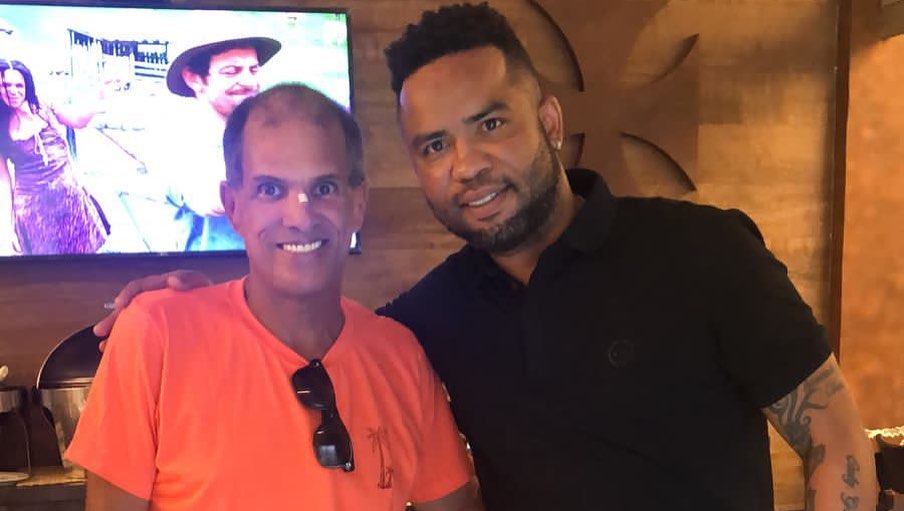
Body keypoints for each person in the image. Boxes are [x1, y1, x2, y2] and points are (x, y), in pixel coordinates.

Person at [95, 3, 878, 510]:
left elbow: (835, 436)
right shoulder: (430, 319)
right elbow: (315, 326)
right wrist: (190, 301)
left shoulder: (703, 250)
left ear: (549, 120)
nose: (466, 164)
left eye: (490, 125)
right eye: (435, 145)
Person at [68, 83, 482, 511]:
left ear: (358, 203)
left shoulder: (400, 357)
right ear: (233, 205)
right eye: (270, 189)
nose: (300, 217)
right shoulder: (155, 335)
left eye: (324, 188)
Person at [154, 36, 280, 252]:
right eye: (231, 72)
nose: (249, 82)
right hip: (210, 269)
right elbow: (210, 198)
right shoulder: (178, 138)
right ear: (193, 79)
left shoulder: (266, 131)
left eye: (253, 70)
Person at [0, 59, 108, 255]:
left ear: (27, 86)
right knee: (51, 268)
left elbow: (77, 120)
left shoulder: (44, 106)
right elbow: (3, 181)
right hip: (34, 211)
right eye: (6, 85)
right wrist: (6, 230)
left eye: (19, 85)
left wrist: (98, 96)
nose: (13, 91)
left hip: (69, 200)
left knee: (88, 261)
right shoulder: (1, 127)